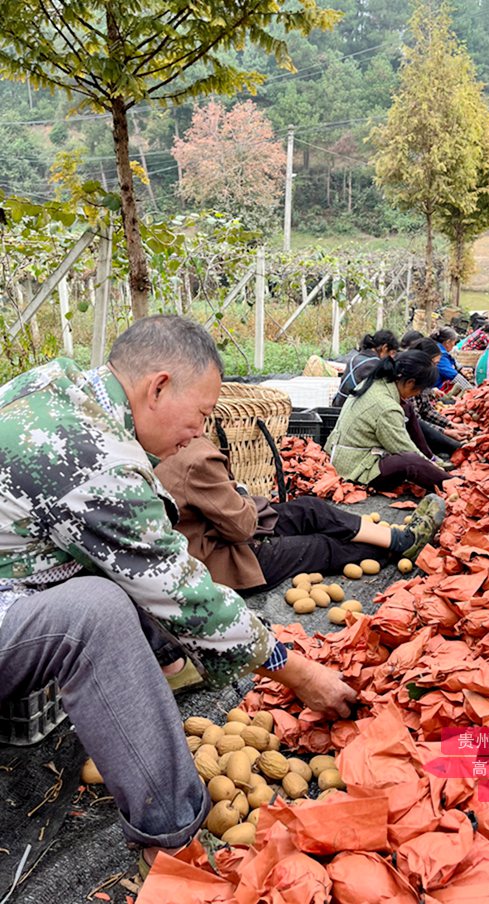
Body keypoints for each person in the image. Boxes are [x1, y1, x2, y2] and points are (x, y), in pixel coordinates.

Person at [0, 315, 355, 870]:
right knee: (96, 612)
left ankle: (164, 670)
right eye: (203, 415)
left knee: (113, 575)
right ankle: (172, 840)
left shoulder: (56, 385)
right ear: (158, 386)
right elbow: (182, 592)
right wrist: (298, 672)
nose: (200, 432)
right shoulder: (89, 453)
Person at [155, 437, 442, 593]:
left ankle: (398, 539)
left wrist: (238, 497)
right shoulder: (195, 458)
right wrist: (240, 496)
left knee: (309, 508)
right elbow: (241, 528)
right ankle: (394, 548)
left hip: (226, 530)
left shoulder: (173, 445)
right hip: (223, 557)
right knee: (320, 546)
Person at [325, 350, 450, 492]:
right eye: (420, 390)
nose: (418, 394)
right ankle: (453, 485)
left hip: (343, 453)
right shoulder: (387, 408)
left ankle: (430, 458)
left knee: (407, 408)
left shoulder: (378, 382)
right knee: (410, 462)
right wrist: (434, 470)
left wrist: (428, 461)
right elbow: (404, 449)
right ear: (410, 383)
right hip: (354, 468)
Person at [332, 330, 399, 407]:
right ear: (384, 348)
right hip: (350, 409)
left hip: (337, 405)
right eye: (392, 353)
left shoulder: (355, 358)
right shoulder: (375, 365)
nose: (392, 358)